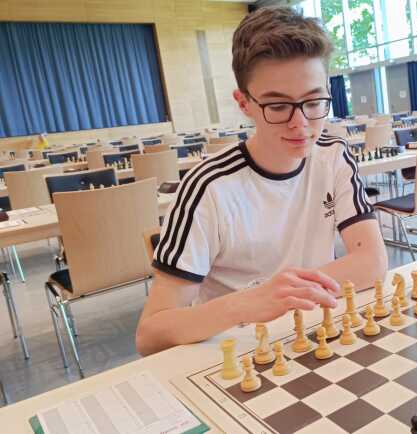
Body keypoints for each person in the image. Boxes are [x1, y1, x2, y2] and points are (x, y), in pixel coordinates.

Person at [135, 7, 388, 356]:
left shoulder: (333, 155)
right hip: (242, 354)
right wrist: (248, 302)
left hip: (315, 336)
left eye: (314, 101)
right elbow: (149, 335)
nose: (300, 124)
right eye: (278, 106)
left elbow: (372, 262)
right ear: (244, 103)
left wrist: (288, 294)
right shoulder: (207, 188)